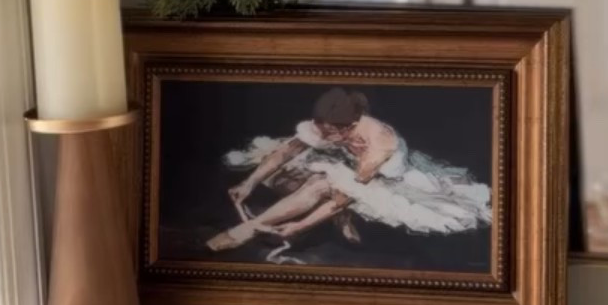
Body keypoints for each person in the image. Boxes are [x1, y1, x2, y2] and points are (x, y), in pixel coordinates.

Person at [208, 86, 491, 253]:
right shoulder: (329, 125)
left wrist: (300, 226)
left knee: (319, 184)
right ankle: (331, 218)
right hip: (345, 165)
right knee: (284, 173)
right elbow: (288, 151)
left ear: (350, 126)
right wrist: (249, 182)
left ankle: (248, 229)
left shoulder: (379, 142)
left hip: (387, 183)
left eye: (328, 132)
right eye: (319, 128)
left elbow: (345, 195)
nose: (320, 134)